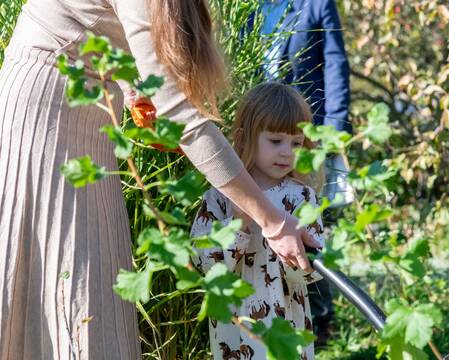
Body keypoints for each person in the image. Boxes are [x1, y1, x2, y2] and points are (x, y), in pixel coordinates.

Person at [0, 1, 321, 359]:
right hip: (48, 110)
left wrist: (133, 86)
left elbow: (104, 30)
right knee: (72, 273)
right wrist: (273, 221)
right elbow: (182, 114)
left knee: (90, 279)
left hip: (85, 112)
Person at [191, 82, 325, 360]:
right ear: (243, 139)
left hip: (287, 328)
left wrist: (299, 257)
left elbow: (314, 271)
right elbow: (205, 265)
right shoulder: (220, 198)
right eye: (276, 141)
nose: (287, 152)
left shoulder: (302, 198)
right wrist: (238, 226)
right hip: (236, 334)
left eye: (297, 143)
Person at [254, 0, 353, 345]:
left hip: (303, 137)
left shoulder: (315, 4)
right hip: (260, 138)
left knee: (309, 220)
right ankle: (273, 305)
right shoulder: (249, 7)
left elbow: (336, 65)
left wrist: (334, 133)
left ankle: (320, 318)